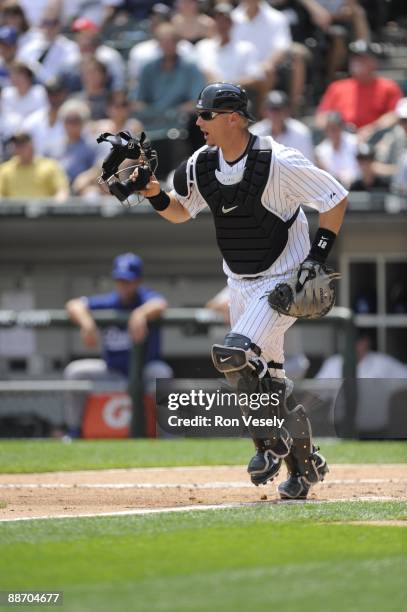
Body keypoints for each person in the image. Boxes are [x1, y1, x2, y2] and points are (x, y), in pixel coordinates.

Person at [131, 82, 348, 500]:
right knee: (274, 383)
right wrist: (155, 194)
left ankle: (268, 445)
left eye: (206, 115)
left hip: (284, 281)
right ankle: (305, 468)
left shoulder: (278, 160)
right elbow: (181, 213)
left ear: (233, 117)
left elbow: (335, 199)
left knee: (233, 355)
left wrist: (316, 260)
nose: (198, 122)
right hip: (239, 284)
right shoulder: (200, 163)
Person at [64, 253, 169, 438]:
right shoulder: (109, 302)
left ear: (138, 281)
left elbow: (160, 304)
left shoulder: (145, 298)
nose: (123, 285)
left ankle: (167, 434)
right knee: (75, 372)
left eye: (128, 281)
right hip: (112, 370)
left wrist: (140, 314)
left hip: (144, 371)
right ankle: (74, 431)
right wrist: (87, 323)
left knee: (162, 373)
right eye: (120, 280)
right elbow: (73, 305)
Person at [315, 40, 403, 138]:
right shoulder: (337, 87)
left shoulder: (388, 87)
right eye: (354, 59)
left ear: (374, 62)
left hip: (375, 140)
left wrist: (372, 129)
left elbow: (395, 115)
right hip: (342, 140)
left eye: (362, 58)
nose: (357, 62)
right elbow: (322, 117)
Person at [0, 131, 69, 201]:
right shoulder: (5, 169)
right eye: (16, 144)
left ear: (32, 144)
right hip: (12, 211)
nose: (19, 148)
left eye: (22, 144)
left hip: (44, 210)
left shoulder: (49, 166)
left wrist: (56, 206)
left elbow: (62, 191)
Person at [251, 90, 315, 161]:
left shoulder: (301, 133)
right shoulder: (255, 133)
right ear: (264, 112)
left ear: (287, 111)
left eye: (279, 109)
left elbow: (308, 163)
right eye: (272, 109)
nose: (276, 114)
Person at [315, 110, 359, 187]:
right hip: (333, 189)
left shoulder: (355, 142)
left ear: (341, 127)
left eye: (335, 128)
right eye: (329, 129)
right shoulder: (320, 150)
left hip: (357, 186)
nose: (332, 132)